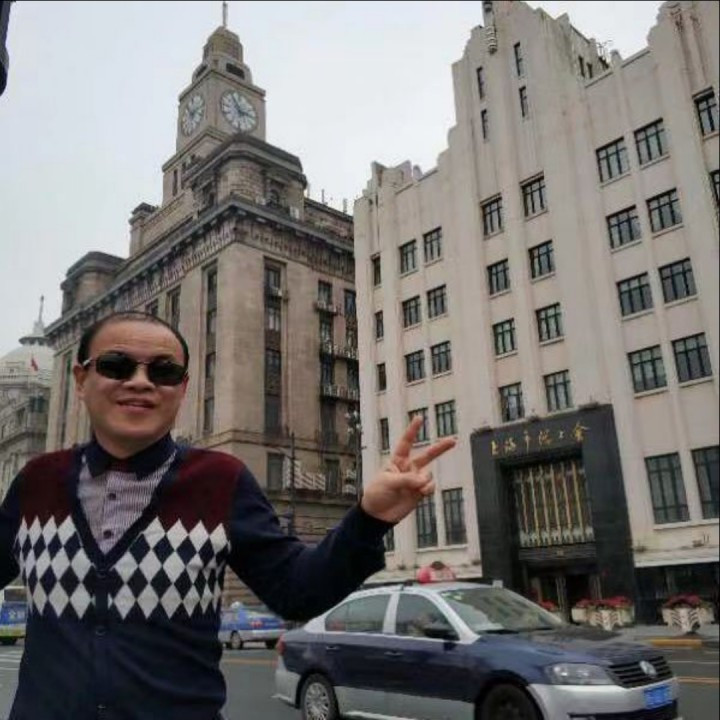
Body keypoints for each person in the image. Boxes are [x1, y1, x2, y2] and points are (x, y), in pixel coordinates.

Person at [0, 311, 456, 720]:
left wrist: (369, 519)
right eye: (116, 366)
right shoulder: (37, 482)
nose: (140, 382)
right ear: (81, 379)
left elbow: (297, 590)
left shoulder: (220, 481)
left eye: (163, 371)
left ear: (182, 389)